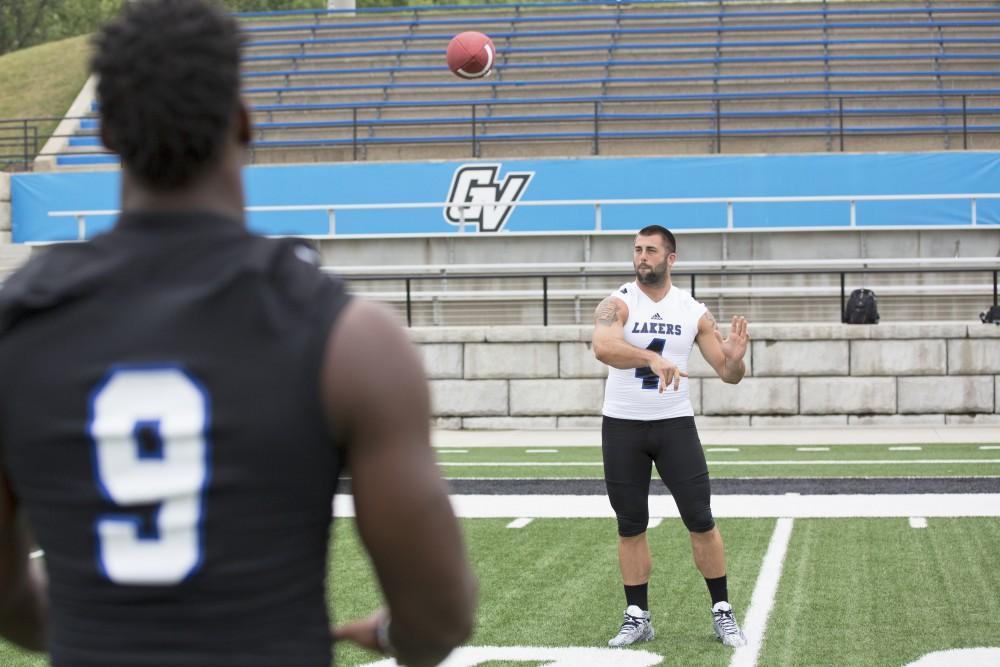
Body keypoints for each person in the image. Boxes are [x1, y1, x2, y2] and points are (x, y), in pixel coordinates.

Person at [0, 1, 475, 666]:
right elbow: (440, 611)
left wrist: (100, 622)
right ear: (245, 120)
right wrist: (400, 636)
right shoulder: (353, 337)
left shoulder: (18, 323)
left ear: (105, 132)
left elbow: (8, 596)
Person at [592, 224, 749, 649]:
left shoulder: (693, 310)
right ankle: (637, 615)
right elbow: (603, 346)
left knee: (700, 519)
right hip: (623, 426)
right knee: (630, 525)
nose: (642, 257)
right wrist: (650, 357)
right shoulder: (617, 303)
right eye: (637, 250)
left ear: (670, 258)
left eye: (651, 250)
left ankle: (723, 611)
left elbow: (727, 374)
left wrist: (735, 360)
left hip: (674, 425)